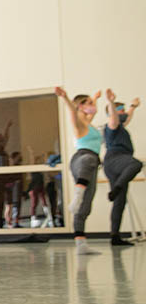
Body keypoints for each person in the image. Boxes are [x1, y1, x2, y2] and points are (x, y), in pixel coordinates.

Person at [54, 87, 103, 253]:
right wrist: (66, 98)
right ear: (80, 106)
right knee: (90, 160)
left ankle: (81, 244)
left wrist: (95, 98)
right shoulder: (79, 124)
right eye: (88, 103)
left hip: (92, 163)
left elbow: (91, 112)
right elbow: (72, 113)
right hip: (82, 159)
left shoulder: (90, 123)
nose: (92, 106)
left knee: (86, 204)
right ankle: (77, 195)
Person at [103, 89, 142, 247]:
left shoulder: (121, 127)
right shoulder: (111, 125)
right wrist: (111, 102)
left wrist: (133, 106)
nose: (124, 112)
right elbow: (114, 118)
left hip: (116, 164)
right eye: (121, 110)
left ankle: (115, 236)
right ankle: (118, 187)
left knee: (119, 202)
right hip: (116, 159)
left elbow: (128, 117)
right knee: (136, 163)